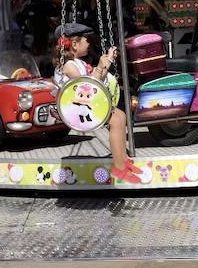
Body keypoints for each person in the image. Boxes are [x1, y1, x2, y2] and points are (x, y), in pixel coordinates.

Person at [52, 22, 143, 184]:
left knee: (120, 116)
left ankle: (123, 159)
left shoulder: (77, 63)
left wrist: (104, 64)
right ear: (74, 44)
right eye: (86, 40)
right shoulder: (69, 66)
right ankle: (119, 167)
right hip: (77, 109)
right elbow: (88, 87)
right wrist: (101, 67)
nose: (89, 44)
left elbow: (94, 83)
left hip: (86, 104)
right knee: (115, 120)